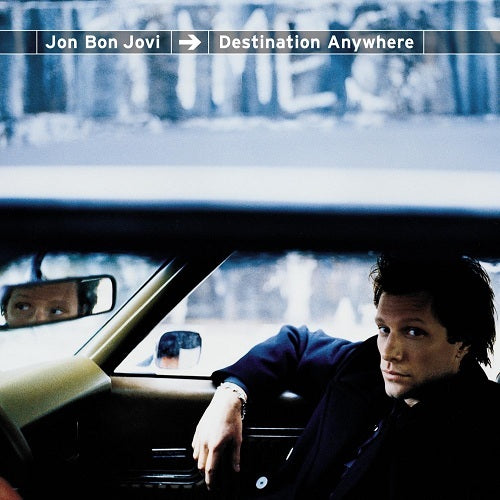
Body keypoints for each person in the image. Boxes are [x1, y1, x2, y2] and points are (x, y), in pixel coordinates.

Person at [192, 254, 500, 499]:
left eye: (413, 332)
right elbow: (296, 344)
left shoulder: (479, 432)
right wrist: (231, 395)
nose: (389, 352)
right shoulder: (365, 365)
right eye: (384, 329)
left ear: (463, 343)